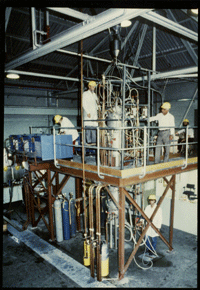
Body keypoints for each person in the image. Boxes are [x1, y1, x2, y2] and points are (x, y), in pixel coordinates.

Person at [82, 81, 98, 145]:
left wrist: (98, 109)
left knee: (94, 127)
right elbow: (83, 103)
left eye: (94, 87)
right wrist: (87, 112)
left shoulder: (94, 95)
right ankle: (88, 141)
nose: (94, 88)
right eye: (93, 87)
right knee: (88, 126)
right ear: (89, 87)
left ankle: (94, 141)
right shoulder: (85, 94)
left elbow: (96, 103)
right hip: (88, 113)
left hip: (94, 113)